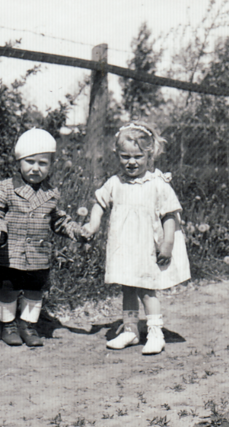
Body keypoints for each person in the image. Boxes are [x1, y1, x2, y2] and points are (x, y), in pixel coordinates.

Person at [81, 122, 190, 354]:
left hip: (146, 247)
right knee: (128, 287)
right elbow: (99, 203)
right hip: (123, 246)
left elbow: (170, 214)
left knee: (147, 288)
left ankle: (155, 332)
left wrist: (167, 243)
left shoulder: (158, 185)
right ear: (117, 155)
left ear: (150, 156)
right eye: (125, 157)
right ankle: (130, 330)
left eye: (138, 157)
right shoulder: (115, 183)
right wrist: (93, 223)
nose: (131, 162)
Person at [0, 128, 83, 347]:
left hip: (38, 254)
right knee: (8, 287)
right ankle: (6, 323)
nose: (36, 168)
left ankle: (27, 324)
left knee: (34, 290)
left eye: (43, 163)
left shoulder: (51, 193)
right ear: (19, 162)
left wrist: (77, 231)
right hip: (10, 251)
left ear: (51, 165)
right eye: (30, 162)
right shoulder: (6, 188)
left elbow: (59, 220)